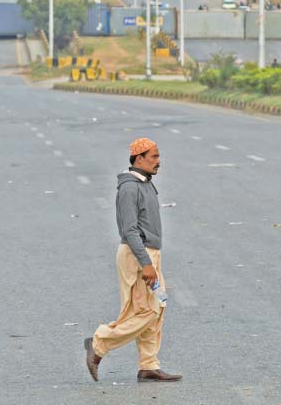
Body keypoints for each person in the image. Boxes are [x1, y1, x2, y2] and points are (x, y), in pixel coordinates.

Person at [85, 138, 182, 384]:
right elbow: (129, 230)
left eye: (158, 157)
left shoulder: (146, 184)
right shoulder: (130, 188)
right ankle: (98, 344)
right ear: (139, 158)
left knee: (157, 309)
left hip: (150, 253)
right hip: (137, 254)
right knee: (146, 311)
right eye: (154, 157)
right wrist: (146, 263)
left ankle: (148, 365)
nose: (158, 162)